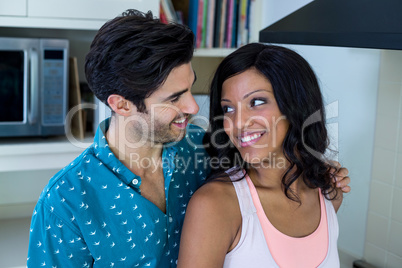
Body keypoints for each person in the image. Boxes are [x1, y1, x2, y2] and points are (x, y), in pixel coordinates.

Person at [27, 10, 350, 268]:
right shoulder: (66, 201)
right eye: (174, 98)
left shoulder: (205, 146)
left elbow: (270, 175)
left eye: (191, 87)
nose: (194, 107)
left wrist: (319, 171)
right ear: (121, 105)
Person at [178, 43, 347, 268]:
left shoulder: (329, 192)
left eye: (256, 102)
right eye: (228, 109)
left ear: (296, 105)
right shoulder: (215, 205)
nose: (238, 123)